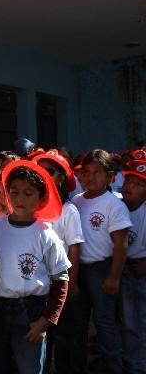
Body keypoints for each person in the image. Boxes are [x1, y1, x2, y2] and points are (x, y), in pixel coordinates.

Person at [0, 160, 71, 374]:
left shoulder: (46, 234)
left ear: (41, 199)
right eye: (14, 192)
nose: (19, 199)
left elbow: (61, 280)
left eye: (28, 193)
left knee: (30, 367)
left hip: (31, 312)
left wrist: (46, 321)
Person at [72, 150, 132, 374]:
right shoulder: (76, 202)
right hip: (79, 268)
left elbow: (121, 243)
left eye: (97, 172)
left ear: (110, 177)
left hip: (102, 268)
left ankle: (113, 367)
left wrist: (114, 277)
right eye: (85, 172)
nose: (90, 177)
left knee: (105, 321)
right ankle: (79, 366)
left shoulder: (113, 204)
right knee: (79, 321)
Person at [31, 149, 84, 373]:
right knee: (40, 336)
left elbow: (74, 247)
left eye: (49, 171)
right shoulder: (32, 205)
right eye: (40, 169)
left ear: (61, 178)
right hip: (36, 280)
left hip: (58, 279)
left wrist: (71, 282)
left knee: (62, 334)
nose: (43, 174)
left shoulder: (69, 210)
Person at [120, 155, 146, 373]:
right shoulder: (117, 205)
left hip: (138, 271)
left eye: (138, 184)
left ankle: (137, 366)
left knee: (135, 323)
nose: (131, 186)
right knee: (119, 320)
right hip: (117, 268)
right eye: (129, 181)